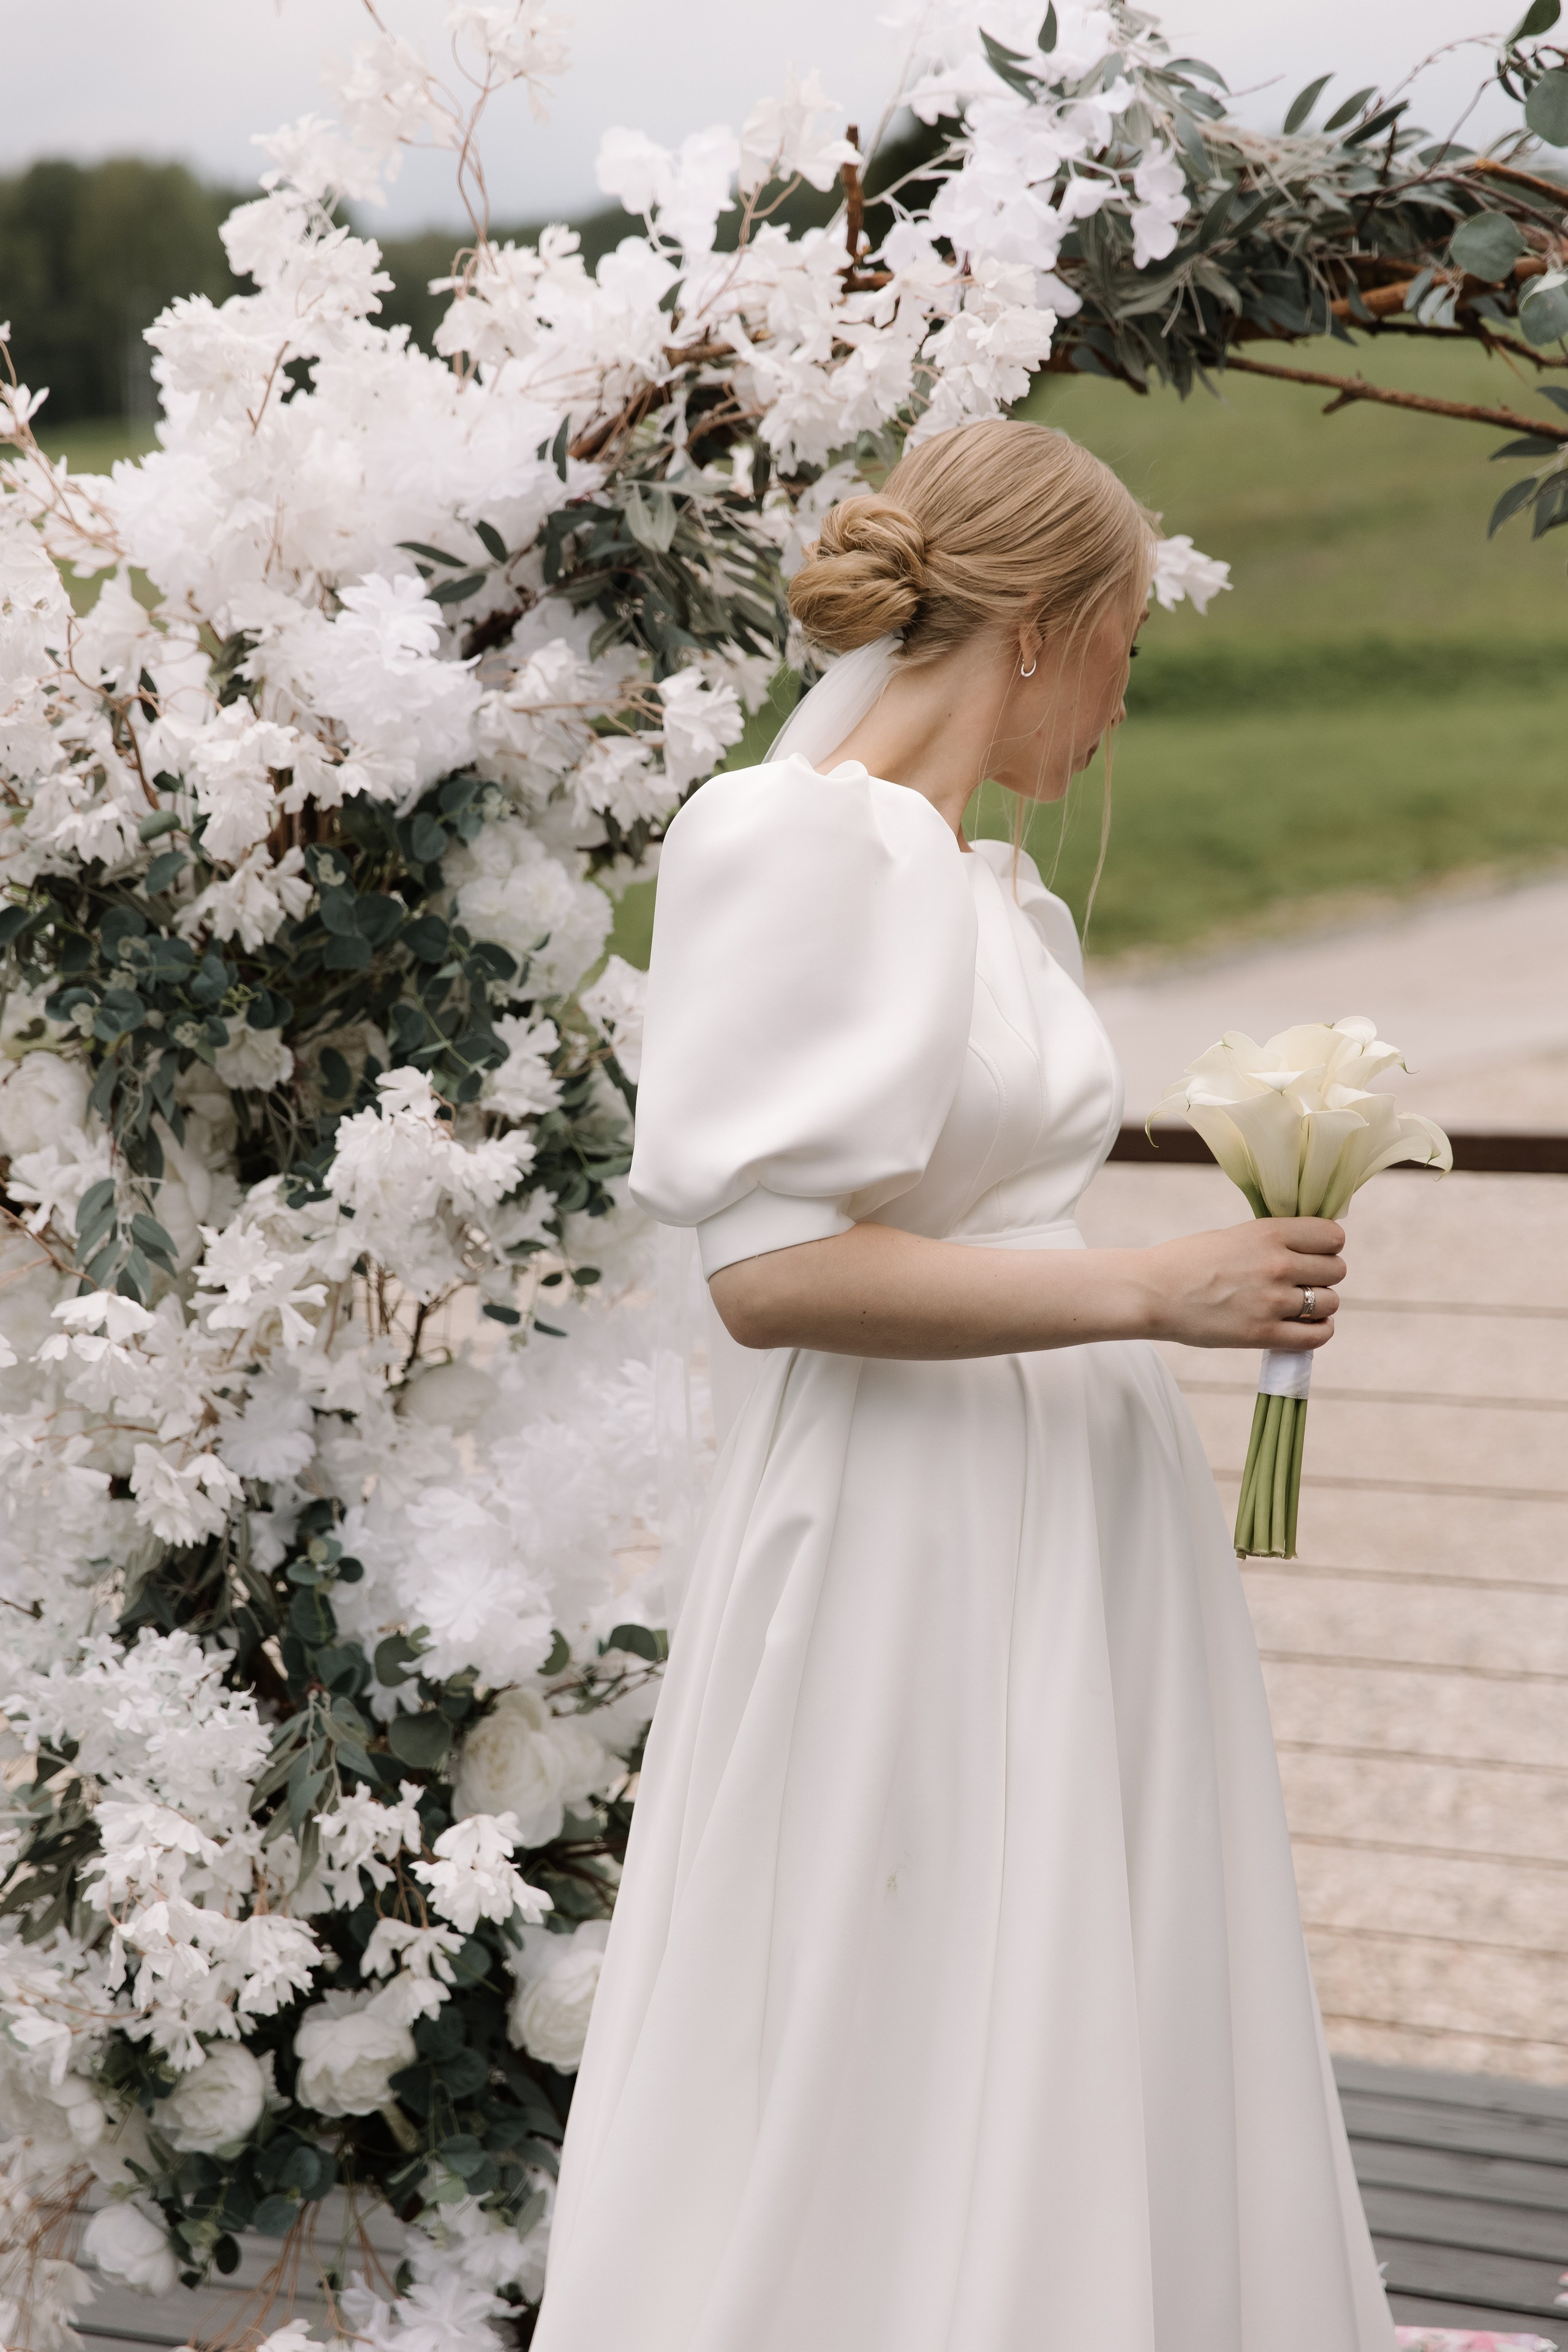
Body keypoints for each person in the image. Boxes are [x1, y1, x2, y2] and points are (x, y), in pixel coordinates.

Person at [532, 418, 1395, 2352]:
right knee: (897, 1971)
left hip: (1074, 1512)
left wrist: (1203, 1283)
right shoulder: (791, 838)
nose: (1120, 703)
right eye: (1126, 651)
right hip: (911, 1527)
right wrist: (1149, 1288)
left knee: (1092, 1972)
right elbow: (770, 1275)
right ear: (1046, 628)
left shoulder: (979, 886)